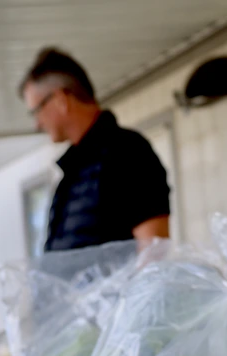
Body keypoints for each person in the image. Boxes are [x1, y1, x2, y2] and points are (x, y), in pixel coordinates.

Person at [19, 47, 171, 252]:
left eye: (36, 111)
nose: (37, 124)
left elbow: (154, 252)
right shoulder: (70, 174)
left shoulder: (127, 152)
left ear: (61, 100)